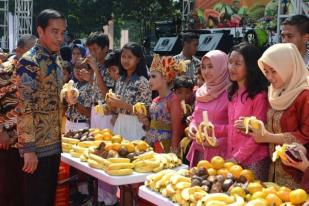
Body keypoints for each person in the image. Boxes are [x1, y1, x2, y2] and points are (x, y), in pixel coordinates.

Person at [15, 9, 66, 206]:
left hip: (54, 145)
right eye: (55, 32)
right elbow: (24, 107)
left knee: (48, 199)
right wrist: (28, 149)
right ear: (40, 31)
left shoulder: (55, 59)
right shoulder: (29, 61)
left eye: (63, 32)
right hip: (36, 150)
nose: (60, 38)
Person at [247, 43, 309, 189]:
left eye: (274, 71)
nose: (269, 77)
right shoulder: (274, 93)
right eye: (266, 71)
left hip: (298, 174)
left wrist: (269, 137)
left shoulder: (304, 95)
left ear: (288, 67)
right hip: (274, 169)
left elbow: (306, 134)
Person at [0, 34, 36, 206]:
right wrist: (2, 132)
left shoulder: (38, 72)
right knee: (8, 191)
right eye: (31, 50)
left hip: (31, 144)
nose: (34, 55)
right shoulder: (4, 71)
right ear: (18, 50)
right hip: (7, 143)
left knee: (27, 193)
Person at [227, 42, 269, 181]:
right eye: (230, 62)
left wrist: (237, 157)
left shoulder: (259, 96)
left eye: (237, 63)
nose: (231, 67)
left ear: (250, 66)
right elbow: (231, 128)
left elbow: (257, 135)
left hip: (254, 160)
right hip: (234, 158)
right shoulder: (233, 92)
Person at [186, 50, 230, 167]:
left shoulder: (231, 94)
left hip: (220, 155)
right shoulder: (201, 92)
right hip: (199, 150)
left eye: (211, 67)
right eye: (204, 67)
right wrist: (192, 127)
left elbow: (236, 129)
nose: (206, 71)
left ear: (222, 67)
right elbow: (196, 117)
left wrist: (215, 133)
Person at [106, 42, 152, 140]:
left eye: (130, 57)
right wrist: (111, 105)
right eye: (123, 56)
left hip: (136, 125)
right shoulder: (120, 80)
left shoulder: (142, 82)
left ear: (138, 59)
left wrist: (123, 105)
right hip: (120, 123)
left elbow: (146, 111)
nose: (125, 60)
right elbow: (117, 109)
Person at [141, 55, 184, 153]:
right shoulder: (155, 100)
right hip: (151, 144)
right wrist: (146, 122)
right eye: (149, 77)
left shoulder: (173, 100)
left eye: (153, 76)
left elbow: (176, 129)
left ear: (165, 77)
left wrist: (173, 151)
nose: (149, 80)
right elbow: (152, 125)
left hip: (166, 146)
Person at [85, 32, 115, 129]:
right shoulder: (97, 66)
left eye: (95, 49)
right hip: (95, 110)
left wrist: (96, 71)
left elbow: (107, 95)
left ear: (105, 49)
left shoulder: (111, 67)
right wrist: (90, 79)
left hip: (106, 113)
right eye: (90, 50)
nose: (92, 53)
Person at [65, 64, 92, 133]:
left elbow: (88, 113)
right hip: (68, 122)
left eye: (82, 67)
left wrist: (75, 103)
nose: (78, 70)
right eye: (76, 67)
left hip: (81, 125)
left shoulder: (90, 86)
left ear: (88, 71)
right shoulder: (73, 85)